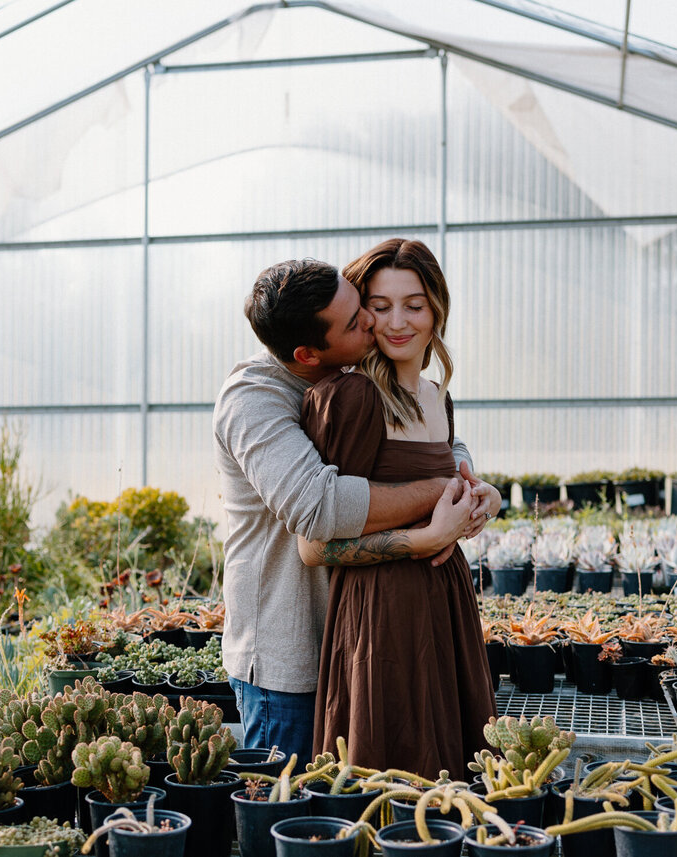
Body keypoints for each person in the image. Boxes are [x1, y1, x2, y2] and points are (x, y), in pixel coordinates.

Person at [213, 258, 499, 762]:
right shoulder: (255, 398)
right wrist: (441, 493)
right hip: (292, 655)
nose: (375, 321)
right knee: (298, 810)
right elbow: (319, 508)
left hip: (361, 637)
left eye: (361, 302)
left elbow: (417, 428)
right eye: (359, 317)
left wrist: (467, 475)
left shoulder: (351, 368)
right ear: (307, 353)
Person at [299, 238, 498, 780]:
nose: (397, 323)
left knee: (453, 772)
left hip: (447, 599)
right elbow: (316, 547)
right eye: (380, 307)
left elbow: (446, 485)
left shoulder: (438, 397)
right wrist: (424, 539)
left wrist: (482, 499)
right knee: (393, 775)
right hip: (380, 614)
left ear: (437, 309)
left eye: (414, 305)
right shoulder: (353, 396)